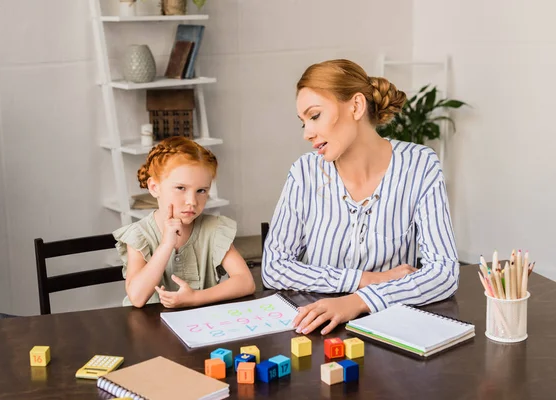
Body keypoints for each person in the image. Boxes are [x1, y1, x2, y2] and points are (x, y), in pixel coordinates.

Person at [261, 59, 459, 335]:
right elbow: (274, 267)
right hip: (319, 329)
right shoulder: (304, 172)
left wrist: (359, 301)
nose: (307, 133)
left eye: (315, 116)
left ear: (355, 106)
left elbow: (443, 272)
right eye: (303, 122)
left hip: (395, 333)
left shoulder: (420, 165)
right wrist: (364, 280)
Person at [114, 136, 255, 308]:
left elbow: (246, 282)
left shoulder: (214, 229)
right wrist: (166, 244)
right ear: (154, 187)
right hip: (151, 329)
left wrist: (195, 297)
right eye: (181, 188)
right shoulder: (139, 234)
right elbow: (137, 297)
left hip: (199, 326)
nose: (192, 201)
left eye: (201, 190)